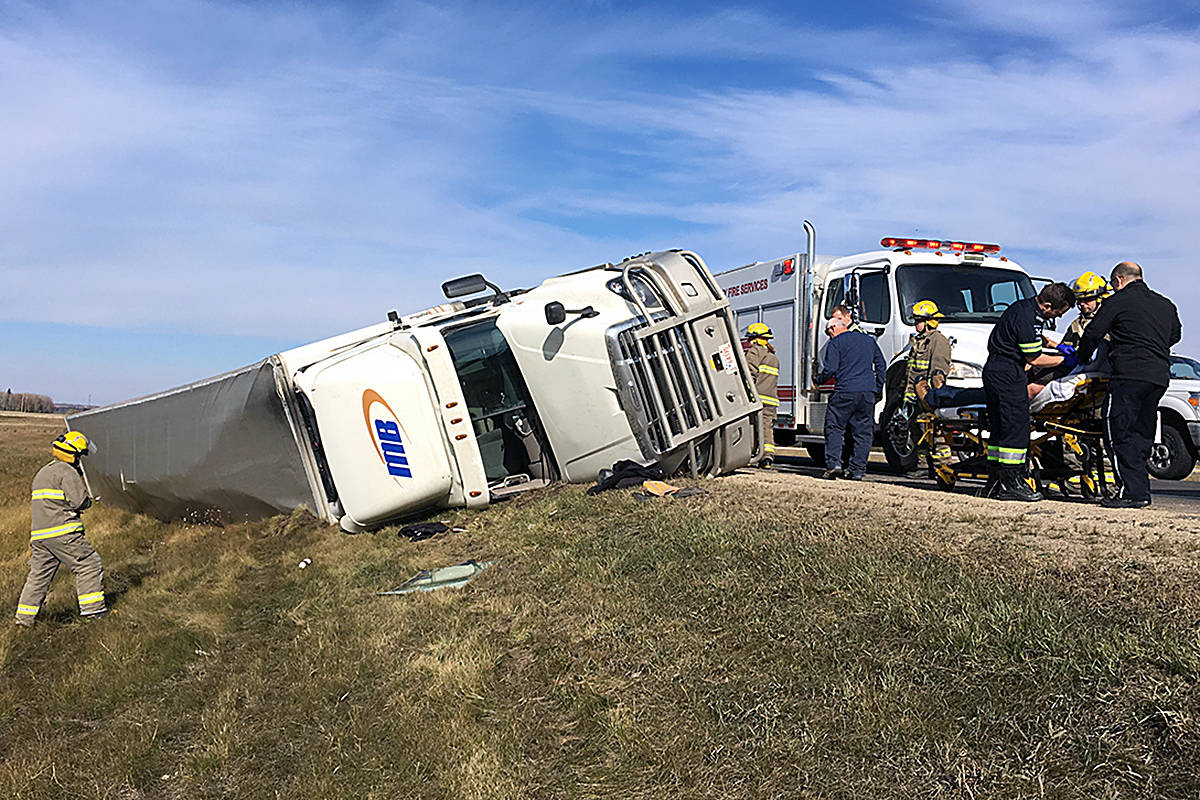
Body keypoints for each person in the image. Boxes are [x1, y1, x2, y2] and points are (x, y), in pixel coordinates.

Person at [1076, 261, 1182, 508]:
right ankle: (1140, 491)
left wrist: (1081, 359)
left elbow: (1093, 333)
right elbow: (1175, 335)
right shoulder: (1165, 304)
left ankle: (1129, 492)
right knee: (1142, 434)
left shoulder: (1117, 301)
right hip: (1158, 378)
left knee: (1118, 432)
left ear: (1119, 280)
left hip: (1128, 376)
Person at [982, 283, 1075, 501]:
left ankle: (996, 481)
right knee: (1016, 427)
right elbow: (1034, 359)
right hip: (1007, 372)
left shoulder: (1023, 309)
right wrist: (1065, 359)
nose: (1058, 318)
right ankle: (1011, 483)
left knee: (1001, 429)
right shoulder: (1028, 316)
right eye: (1058, 313)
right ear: (1047, 306)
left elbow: (1028, 339)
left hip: (997, 369)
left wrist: (1054, 344)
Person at [14, 431, 107, 626]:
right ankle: (93, 613)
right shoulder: (66, 472)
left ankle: (23, 620)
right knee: (89, 564)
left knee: (38, 577)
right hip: (63, 533)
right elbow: (79, 501)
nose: (80, 460)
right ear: (73, 454)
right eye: (80, 455)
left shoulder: (43, 472)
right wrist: (88, 503)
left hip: (40, 536)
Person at [815, 305, 887, 480]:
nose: (829, 336)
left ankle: (834, 464)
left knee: (835, 428)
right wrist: (877, 388)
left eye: (828, 332)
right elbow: (882, 365)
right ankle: (857, 471)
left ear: (834, 327)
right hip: (867, 393)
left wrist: (818, 380)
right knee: (863, 433)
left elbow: (830, 369)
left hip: (845, 392)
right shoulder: (868, 340)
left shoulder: (836, 342)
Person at [903, 300, 954, 471]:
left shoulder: (937, 341)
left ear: (928, 322)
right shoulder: (918, 341)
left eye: (918, 320)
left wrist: (932, 398)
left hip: (928, 398)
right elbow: (912, 371)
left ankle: (942, 468)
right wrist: (908, 394)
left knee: (935, 434)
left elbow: (938, 373)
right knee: (918, 433)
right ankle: (923, 466)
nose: (915, 323)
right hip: (916, 397)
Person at [744, 322, 780, 467]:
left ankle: (749, 456)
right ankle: (767, 457)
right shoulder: (773, 356)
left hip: (757, 398)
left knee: (752, 427)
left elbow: (748, 375)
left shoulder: (755, 352)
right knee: (767, 428)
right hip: (771, 400)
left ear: (755, 338)